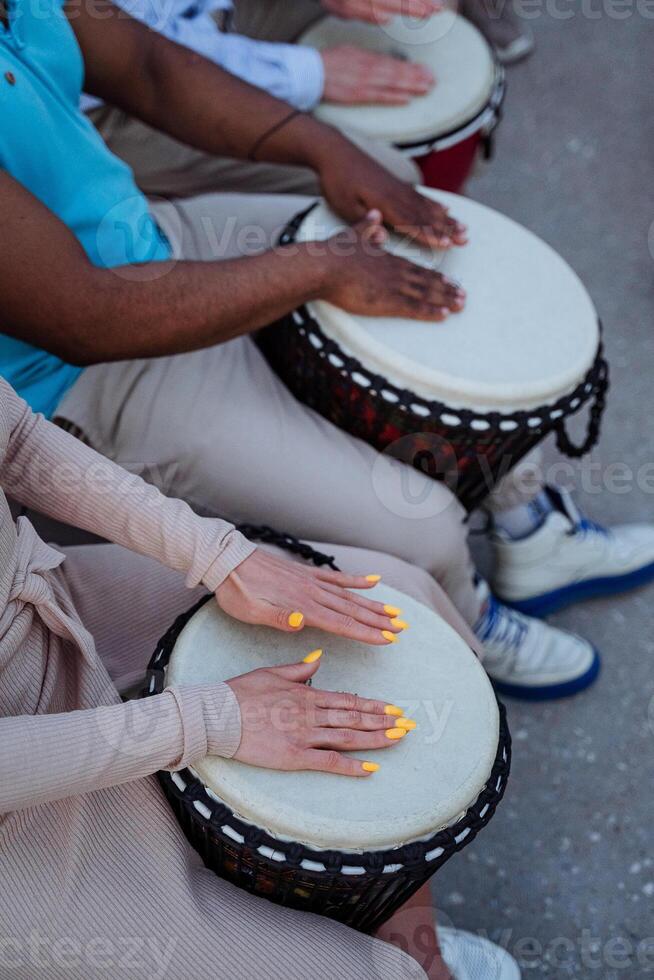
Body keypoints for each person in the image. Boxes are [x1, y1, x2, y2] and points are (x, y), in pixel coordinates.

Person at [5, 0, 653, 702]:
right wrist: (319, 267)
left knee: (434, 277)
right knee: (425, 530)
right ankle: (471, 619)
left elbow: (149, 67)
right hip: (85, 379)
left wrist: (328, 149)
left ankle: (530, 530)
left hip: (156, 241)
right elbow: (88, 317)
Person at [0, 376, 521, 980]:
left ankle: (412, 945)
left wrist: (221, 555)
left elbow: (15, 441)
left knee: (398, 607)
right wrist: (209, 719)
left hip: (38, 596)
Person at [83, 0, 442, 198]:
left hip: (198, 14)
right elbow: (148, 65)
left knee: (417, 20)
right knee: (390, 177)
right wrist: (308, 73)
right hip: (112, 98)